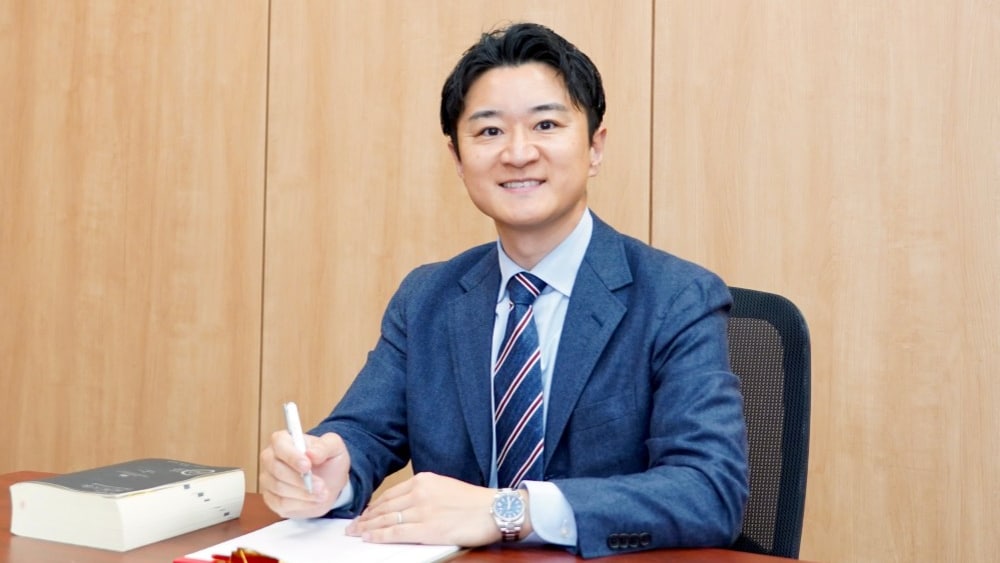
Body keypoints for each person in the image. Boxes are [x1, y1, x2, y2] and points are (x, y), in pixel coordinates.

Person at [259, 22, 748, 558]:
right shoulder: (427, 298)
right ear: (457, 158)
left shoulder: (677, 297)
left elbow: (709, 490)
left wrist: (508, 510)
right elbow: (364, 433)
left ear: (594, 147)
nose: (517, 153)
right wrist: (329, 474)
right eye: (489, 131)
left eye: (546, 124)